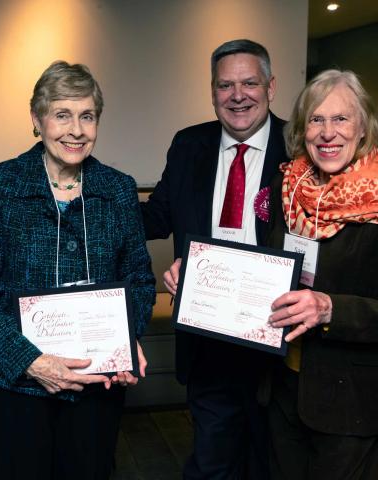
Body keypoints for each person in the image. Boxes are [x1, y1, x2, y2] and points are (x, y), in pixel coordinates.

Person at [0, 60, 155, 480]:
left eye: (87, 116)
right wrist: (31, 362)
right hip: (13, 389)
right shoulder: (1, 184)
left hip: (94, 386)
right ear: (37, 119)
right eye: (62, 114)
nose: (76, 130)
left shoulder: (117, 188)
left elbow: (139, 277)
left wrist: (126, 335)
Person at [141, 39, 287, 479]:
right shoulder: (189, 145)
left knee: (274, 460)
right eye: (225, 85)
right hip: (208, 340)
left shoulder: (299, 146)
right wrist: (85, 188)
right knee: (212, 461)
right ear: (212, 92)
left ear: (271, 86)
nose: (237, 95)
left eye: (249, 83)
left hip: (278, 342)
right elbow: (153, 219)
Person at [267, 69, 378, 479]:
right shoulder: (290, 187)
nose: (327, 132)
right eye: (316, 119)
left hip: (352, 403)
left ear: (363, 126)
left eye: (341, 119)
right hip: (283, 388)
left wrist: (332, 309)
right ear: (302, 128)